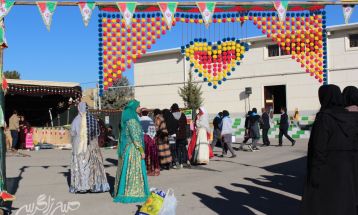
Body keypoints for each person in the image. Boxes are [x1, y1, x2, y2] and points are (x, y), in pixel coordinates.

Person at [300, 85, 358, 215]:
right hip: (348, 169)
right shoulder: (349, 116)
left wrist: (314, 174)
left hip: (327, 169)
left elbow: (318, 149)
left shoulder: (324, 117)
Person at [113, 100, 149, 203]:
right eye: (138, 106)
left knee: (127, 171)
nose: (140, 107)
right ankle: (133, 192)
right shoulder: (132, 120)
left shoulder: (130, 118)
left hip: (129, 149)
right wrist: (141, 150)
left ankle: (126, 190)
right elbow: (135, 137)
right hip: (134, 149)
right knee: (133, 172)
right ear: (134, 108)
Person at [70, 102, 109, 193]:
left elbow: (72, 132)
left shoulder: (76, 119)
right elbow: (97, 132)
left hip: (79, 147)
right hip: (92, 147)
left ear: (79, 108)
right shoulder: (92, 119)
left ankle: (81, 186)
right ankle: (93, 185)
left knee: (79, 166)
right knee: (90, 166)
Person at [140, 108, 160, 176]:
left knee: (144, 153)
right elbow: (154, 130)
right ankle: (153, 169)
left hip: (144, 138)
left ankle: (145, 169)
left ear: (141, 113)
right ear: (147, 113)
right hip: (151, 139)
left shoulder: (140, 120)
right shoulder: (150, 120)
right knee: (152, 154)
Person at [171, 103, 190, 168]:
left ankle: (179, 162)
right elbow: (185, 124)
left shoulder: (171, 115)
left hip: (175, 135)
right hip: (183, 134)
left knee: (177, 148)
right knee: (184, 148)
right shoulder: (183, 115)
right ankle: (186, 161)